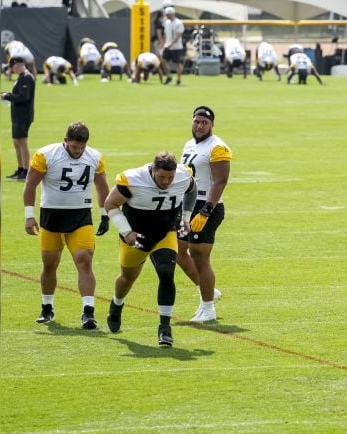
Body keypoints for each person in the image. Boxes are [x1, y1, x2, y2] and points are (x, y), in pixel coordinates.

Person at [22, 121, 110, 328]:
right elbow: (30, 185)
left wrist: (104, 214)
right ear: (65, 141)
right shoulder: (46, 155)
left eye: (82, 147)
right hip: (51, 216)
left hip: (81, 216)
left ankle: (88, 312)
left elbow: (102, 186)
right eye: (74, 147)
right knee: (50, 264)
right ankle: (47, 307)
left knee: (84, 260)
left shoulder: (95, 157)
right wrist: (29, 215)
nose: (78, 151)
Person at [104, 151, 198, 346]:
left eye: (170, 178)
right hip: (137, 235)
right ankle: (117, 303)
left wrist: (186, 217)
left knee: (166, 272)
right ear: (153, 170)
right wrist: (127, 231)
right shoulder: (133, 179)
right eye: (162, 177)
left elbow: (192, 189)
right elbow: (110, 204)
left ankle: (165, 328)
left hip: (166, 232)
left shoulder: (182, 175)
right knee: (127, 278)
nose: (166, 182)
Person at [177, 106, 232, 321]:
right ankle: (209, 290)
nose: (200, 126)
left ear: (212, 125)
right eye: (197, 122)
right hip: (187, 204)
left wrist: (206, 211)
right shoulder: (189, 144)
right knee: (178, 252)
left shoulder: (218, 147)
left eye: (204, 123)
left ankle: (208, 308)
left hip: (206, 206)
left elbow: (220, 182)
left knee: (200, 256)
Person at [1, 57, 35, 181]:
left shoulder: (26, 77)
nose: (12, 69)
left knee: (22, 142)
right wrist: (6, 95)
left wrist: (7, 96)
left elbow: (24, 97)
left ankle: (26, 170)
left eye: (13, 66)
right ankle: (20, 168)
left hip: (23, 115)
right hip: (17, 115)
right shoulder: (21, 77)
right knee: (16, 142)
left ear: (20, 65)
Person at [161, 6, 184, 85]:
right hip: (167, 46)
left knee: (178, 63)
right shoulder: (167, 23)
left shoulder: (178, 23)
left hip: (176, 47)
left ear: (172, 14)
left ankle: (178, 80)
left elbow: (178, 35)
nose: (167, 16)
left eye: (168, 14)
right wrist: (163, 43)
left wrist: (171, 44)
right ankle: (168, 76)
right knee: (163, 60)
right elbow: (165, 34)